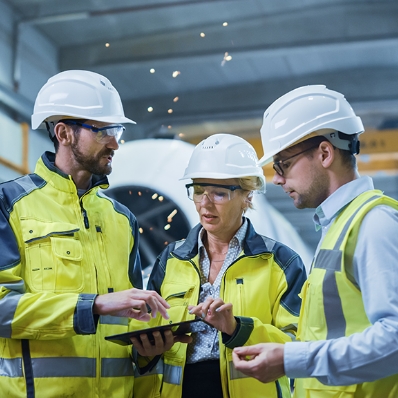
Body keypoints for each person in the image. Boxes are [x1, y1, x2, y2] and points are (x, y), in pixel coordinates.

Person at [0, 70, 171, 398]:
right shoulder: (8, 204)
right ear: (63, 133)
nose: (115, 143)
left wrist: (148, 349)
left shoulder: (122, 219)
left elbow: (130, 318)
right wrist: (92, 306)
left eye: (116, 130)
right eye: (104, 130)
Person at [232, 85, 398, 397]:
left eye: (283, 163)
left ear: (324, 153)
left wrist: (292, 359)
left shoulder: (374, 225)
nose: (277, 178)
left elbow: (395, 339)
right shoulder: (337, 227)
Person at [132, 133, 307, 398]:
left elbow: (299, 348)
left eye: (219, 193)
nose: (205, 204)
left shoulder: (281, 263)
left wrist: (238, 328)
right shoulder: (170, 260)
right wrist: (145, 351)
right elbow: (142, 336)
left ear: (247, 196)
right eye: (199, 191)